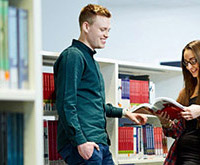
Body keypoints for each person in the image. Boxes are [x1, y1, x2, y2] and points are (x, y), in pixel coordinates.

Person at [53, 4, 147, 164]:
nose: (107, 35)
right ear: (86, 26)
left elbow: (94, 105)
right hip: (84, 144)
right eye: (103, 29)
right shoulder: (73, 56)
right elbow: (65, 104)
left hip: (99, 143)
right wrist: (80, 142)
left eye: (108, 30)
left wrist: (125, 113)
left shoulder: (92, 60)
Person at [159, 40, 200, 165]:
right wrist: (166, 123)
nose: (189, 67)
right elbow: (176, 131)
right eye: (186, 63)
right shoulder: (186, 92)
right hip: (178, 156)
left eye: (193, 61)